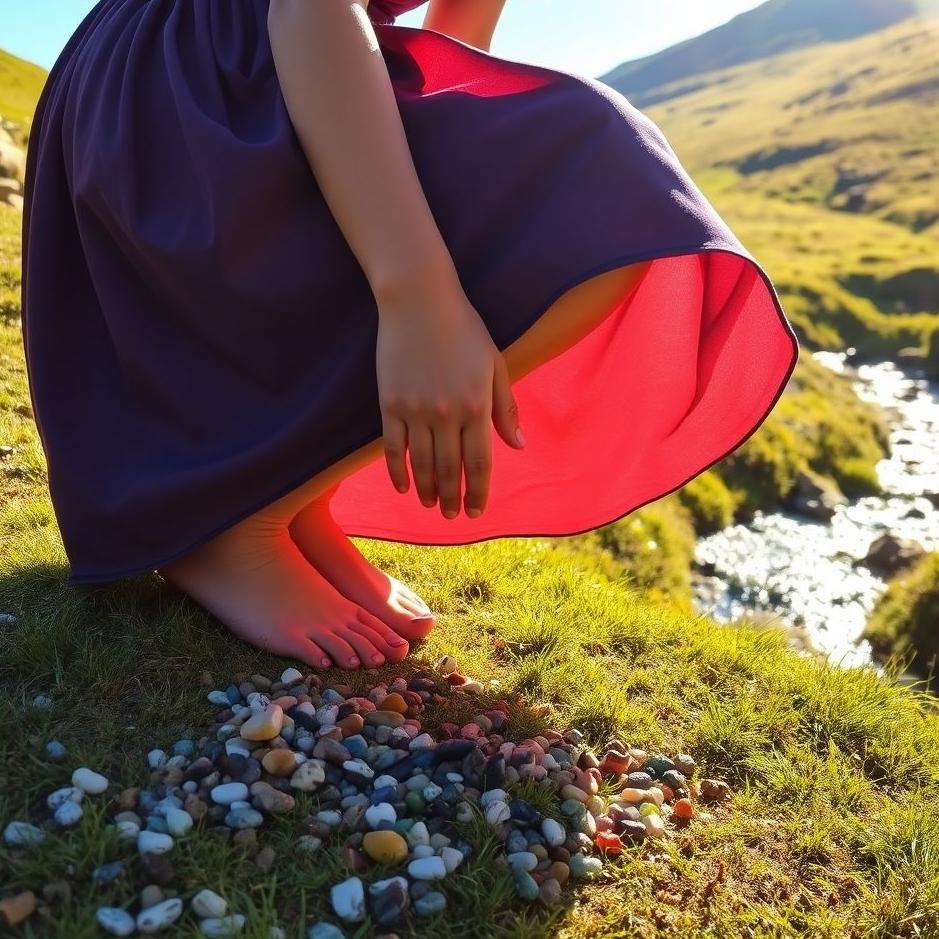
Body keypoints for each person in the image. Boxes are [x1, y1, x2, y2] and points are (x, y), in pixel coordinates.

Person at [20, 0, 799, 671]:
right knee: (598, 159)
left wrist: (453, 210)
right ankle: (222, 529)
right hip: (188, 92)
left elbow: (460, 46)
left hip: (276, 73)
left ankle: (292, 497)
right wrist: (420, 296)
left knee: (592, 182)